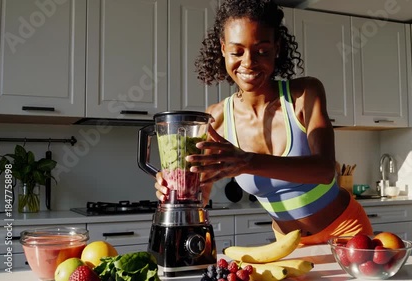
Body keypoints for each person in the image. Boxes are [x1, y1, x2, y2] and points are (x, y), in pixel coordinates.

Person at [155, 0, 372, 245]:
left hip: (347, 231)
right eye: (237, 52)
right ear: (223, 49)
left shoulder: (304, 94)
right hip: (288, 243)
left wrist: (247, 162)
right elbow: (201, 193)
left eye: (262, 51)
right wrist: (177, 188)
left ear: (277, 49)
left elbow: (324, 171)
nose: (248, 63)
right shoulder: (217, 118)